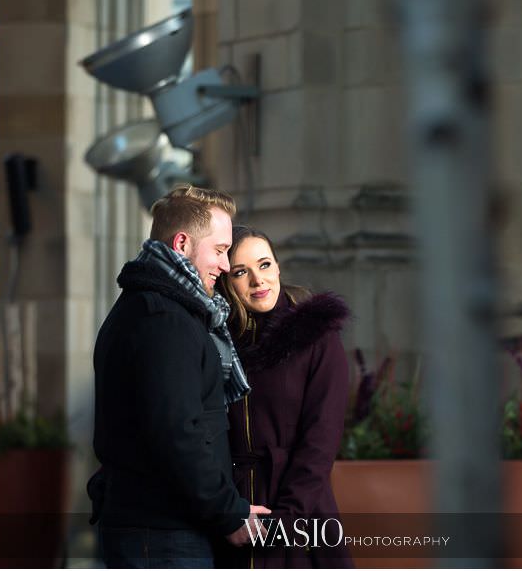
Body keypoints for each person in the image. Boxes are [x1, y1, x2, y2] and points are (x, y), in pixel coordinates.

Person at [90, 186, 269, 568]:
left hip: (158, 530)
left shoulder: (153, 307)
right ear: (182, 243)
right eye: (220, 250)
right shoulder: (164, 320)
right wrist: (228, 512)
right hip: (161, 537)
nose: (224, 266)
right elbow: (176, 434)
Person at [214, 225, 353, 568]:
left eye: (264, 265)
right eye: (241, 272)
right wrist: (223, 509)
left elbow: (320, 441)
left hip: (300, 511)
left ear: (278, 267)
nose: (258, 281)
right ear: (226, 282)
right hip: (232, 514)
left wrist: (287, 521)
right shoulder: (216, 341)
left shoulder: (316, 337)